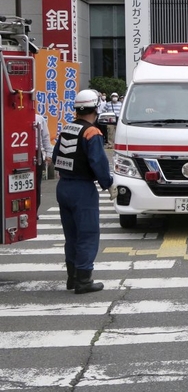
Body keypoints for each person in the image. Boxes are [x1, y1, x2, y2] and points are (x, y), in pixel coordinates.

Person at [53, 89, 115, 294]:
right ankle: (84, 280)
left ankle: (72, 277)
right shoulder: (92, 133)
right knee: (87, 234)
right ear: (96, 108)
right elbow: (98, 162)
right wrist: (108, 184)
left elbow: (55, 158)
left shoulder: (66, 129)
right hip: (82, 189)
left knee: (71, 235)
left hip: (64, 187)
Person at [34, 113, 53, 213]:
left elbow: (45, 137)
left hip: (36, 153)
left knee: (37, 184)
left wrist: (48, 154)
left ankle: (35, 210)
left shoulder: (39, 118)